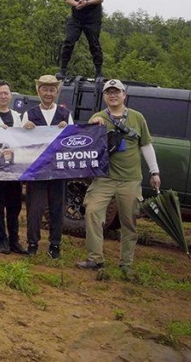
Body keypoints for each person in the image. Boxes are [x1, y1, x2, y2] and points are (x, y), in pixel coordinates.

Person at [77, 79, 161, 273]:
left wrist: (154, 171)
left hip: (130, 180)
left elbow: (146, 145)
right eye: (109, 92)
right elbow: (87, 144)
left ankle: (126, 264)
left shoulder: (137, 118)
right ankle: (95, 259)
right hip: (104, 179)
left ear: (124, 95)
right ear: (104, 96)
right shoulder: (98, 117)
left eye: (117, 92)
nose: (113, 95)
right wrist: (92, 127)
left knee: (129, 222)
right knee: (92, 212)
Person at [22, 74, 73, 258]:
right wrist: (25, 127)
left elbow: (71, 140)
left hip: (59, 169)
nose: (48, 93)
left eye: (52, 89)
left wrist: (66, 128)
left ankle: (55, 245)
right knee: (35, 207)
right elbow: (22, 141)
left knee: (57, 207)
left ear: (57, 92)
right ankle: (32, 243)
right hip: (37, 169)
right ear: (39, 91)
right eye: (45, 89)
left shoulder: (65, 114)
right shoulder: (29, 114)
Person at [0, 80, 28, 254]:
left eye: (6, 93)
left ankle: (14, 240)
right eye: (0, 93)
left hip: (14, 169)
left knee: (15, 205)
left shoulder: (17, 116)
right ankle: (1, 239)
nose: (3, 96)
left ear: (11, 95)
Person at [58, 0, 105, 80]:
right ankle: (62, 70)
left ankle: (99, 72)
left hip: (92, 19)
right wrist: (76, 4)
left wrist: (87, 2)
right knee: (68, 41)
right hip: (76, 18)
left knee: (94, 44)